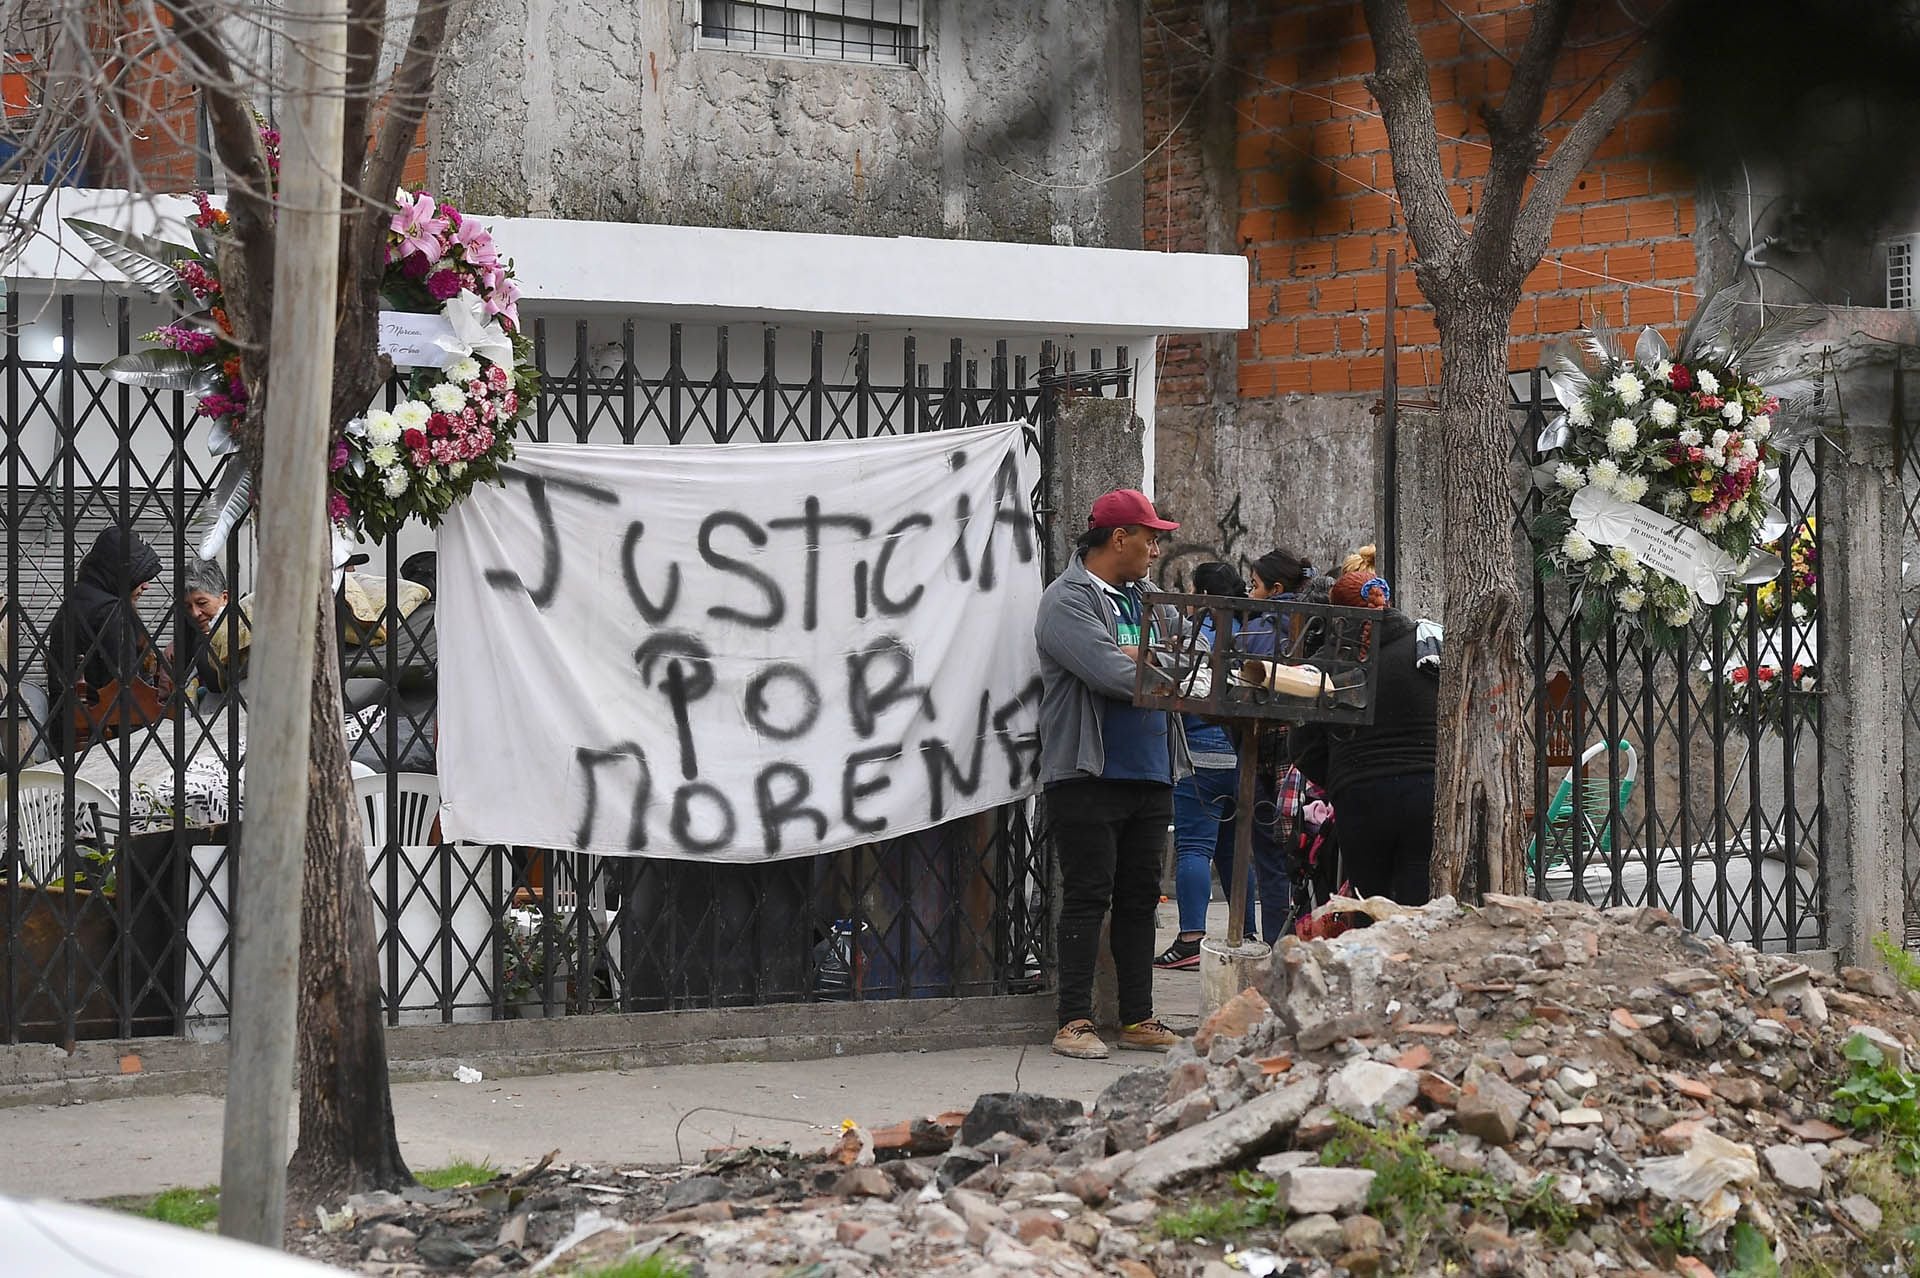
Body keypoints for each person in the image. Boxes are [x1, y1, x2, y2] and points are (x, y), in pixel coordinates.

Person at [1035, 488, 1187, 1059]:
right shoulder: (1066, 601)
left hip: (1151, 770)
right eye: (1150, 536)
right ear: (1118, 538)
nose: (1156, 546)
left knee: (1140, 898)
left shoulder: (1149, 598)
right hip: (1086, 772)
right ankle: (1073, 1019)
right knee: (1087, 895)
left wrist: (1143, 661)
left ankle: (1138, 1017)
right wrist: (1146, 663)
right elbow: (1108, 674)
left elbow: (1184, 655)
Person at [1289, 569, 1438, 905]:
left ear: (1338, 614)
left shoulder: (1325, 665)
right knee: (1419, 904)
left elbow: (1301, 744)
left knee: (1369, 905)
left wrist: (1341, 778)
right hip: (1426, 794)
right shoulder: (1426, 645)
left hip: (1360, 799)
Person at [1156, 561, 1254, 970]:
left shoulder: (1197, 639)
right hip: (1240, 757)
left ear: (1200, 595)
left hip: (1198, 754)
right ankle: (1246, 934)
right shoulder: (1253, 633)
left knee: (1194, 846)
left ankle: (1191, 940)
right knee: (1236, 851)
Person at [45, 525, 166, 753]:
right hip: (105, 744)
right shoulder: (111, 612)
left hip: (68, 739)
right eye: (139, 578)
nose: (146, 586)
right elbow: (125, 693)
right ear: (119, 574)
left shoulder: (76, 601)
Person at [178, 559, 252, 698]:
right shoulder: (194, 631)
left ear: (224, 597)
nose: (195, 613)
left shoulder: (240, 629)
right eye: (188, 606)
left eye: (202, 603)